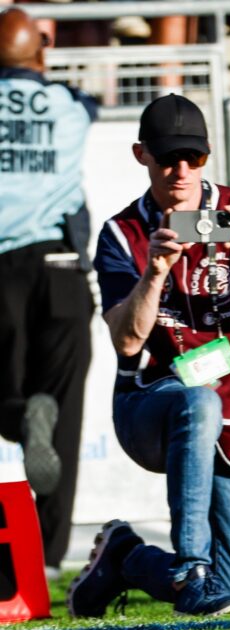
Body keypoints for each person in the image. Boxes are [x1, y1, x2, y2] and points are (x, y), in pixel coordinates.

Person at [66, 94, 230, 618]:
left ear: (208, 155)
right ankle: (189, 566)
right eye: (167, 159)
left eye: (195, 159)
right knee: (198, 403)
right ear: (142, 156)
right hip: (152, 408)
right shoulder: (124, 233)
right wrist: (154, 272)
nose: (182, 172)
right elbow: (127, 342)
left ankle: (127, 558)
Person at [0, 7, 96, 581]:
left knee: (6, 395)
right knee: (65, 413)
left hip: (2, 266)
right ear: (40, 49)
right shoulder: (70, 107)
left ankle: (17, 415)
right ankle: (49, 556)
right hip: (61, 267)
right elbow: (89, 102)